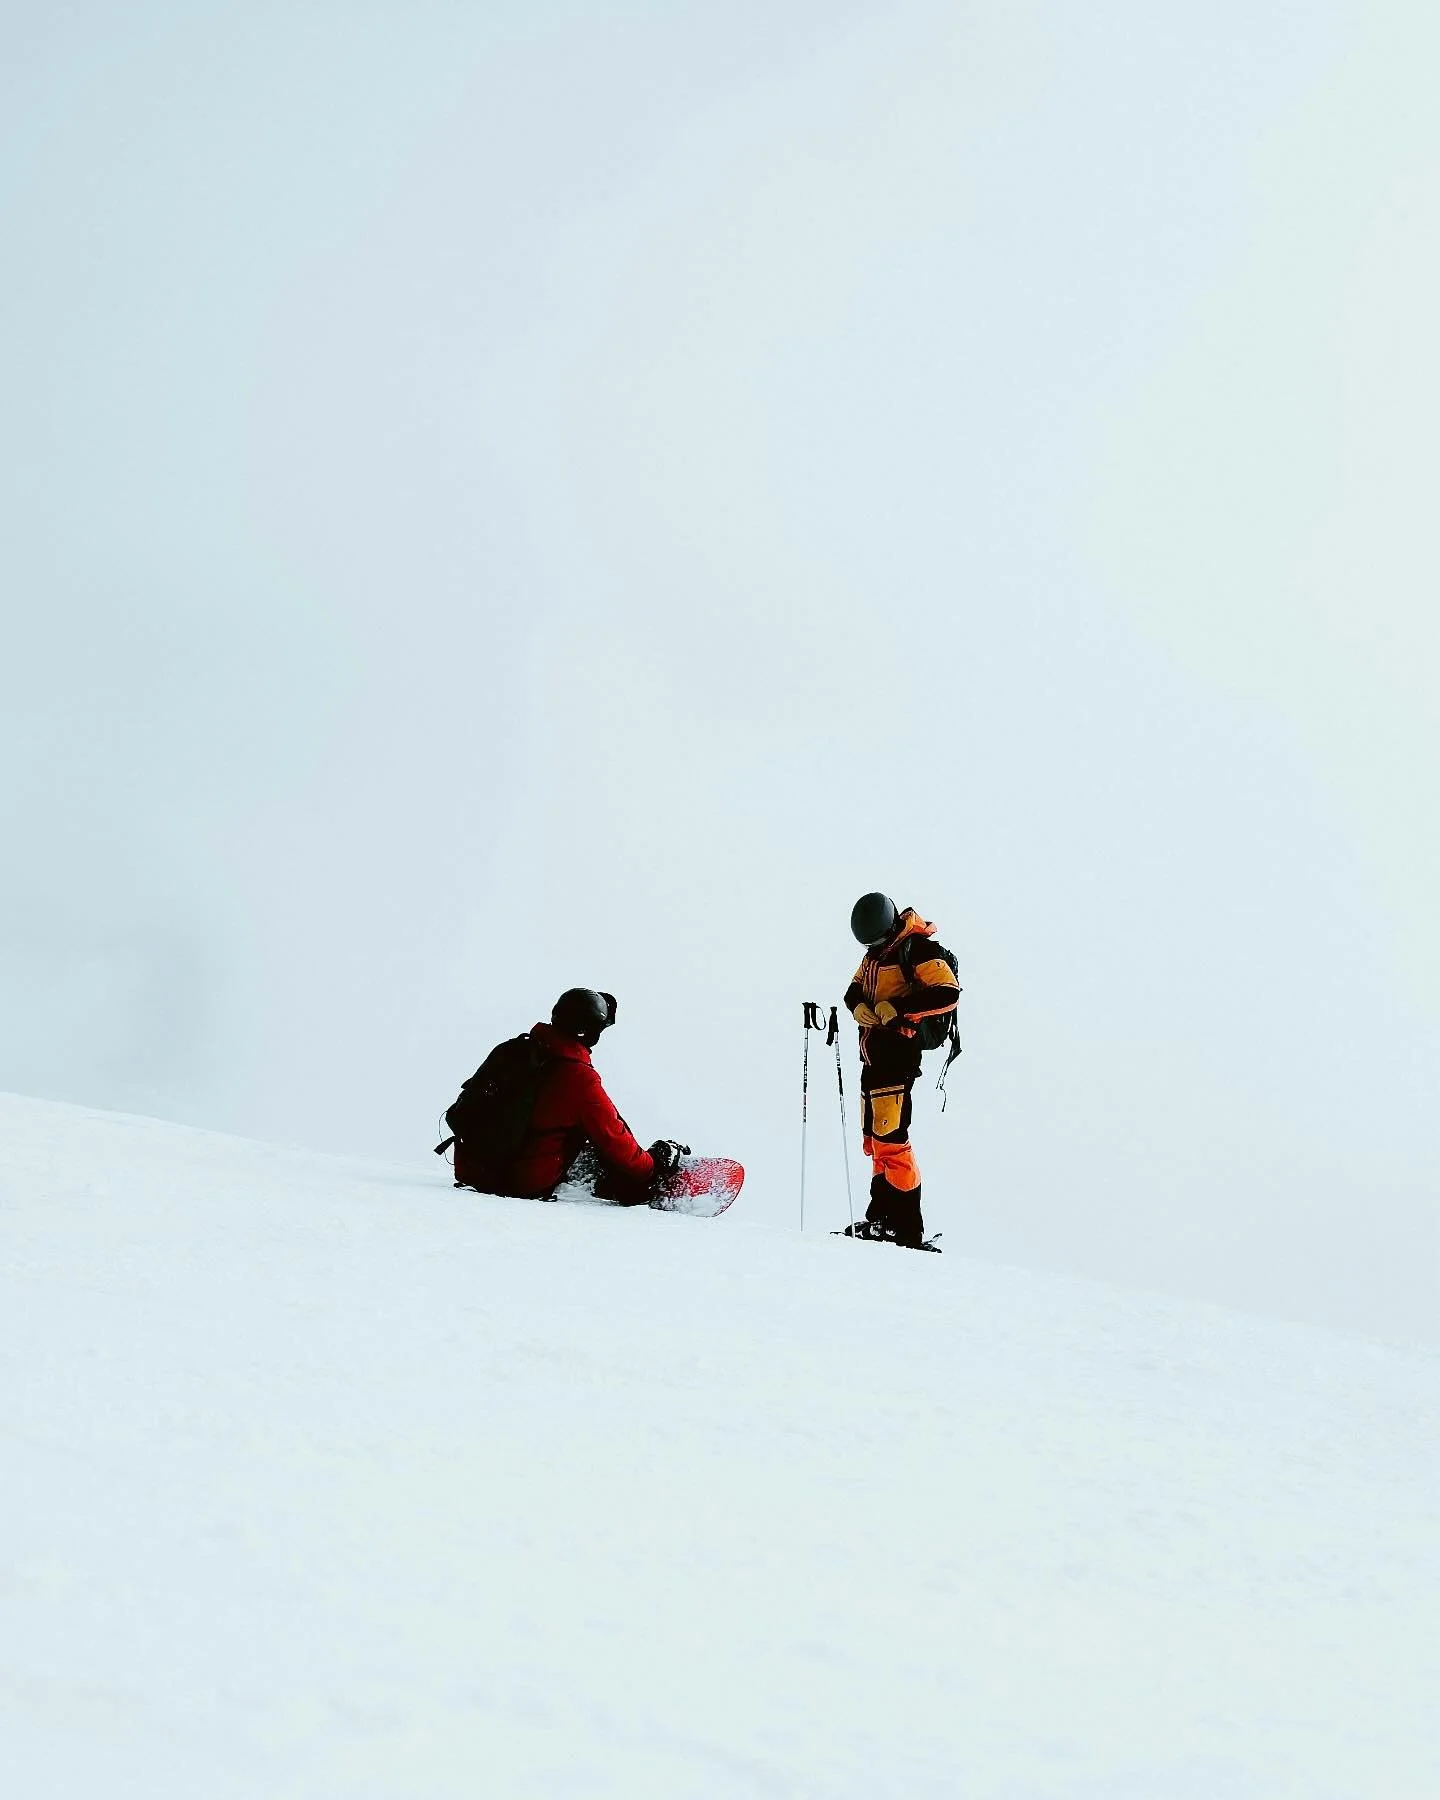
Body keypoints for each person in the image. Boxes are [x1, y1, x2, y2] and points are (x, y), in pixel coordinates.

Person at [451, 988, 684, 1203]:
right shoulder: (578, 1076)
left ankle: (581, 1168)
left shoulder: (513, 1050)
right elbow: (612, 1134)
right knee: (595, 1123)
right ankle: (634, 1186)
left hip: (473, 1169)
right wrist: (650, 1166)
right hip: (519, 1182)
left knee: (572, 1118)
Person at [842, 894, 960, 1248]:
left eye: (877, 941)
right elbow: (852, 990)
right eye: (868, 944)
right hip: (872, 1058)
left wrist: (899, 1009)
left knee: (892, 1141)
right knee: (876, 1142)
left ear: (890, 926)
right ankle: (880, 1219)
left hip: (898, 1058)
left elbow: (947, 992)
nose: (873, 948)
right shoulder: (875, 955)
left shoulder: (919, 949)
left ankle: (906, 1228)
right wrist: (859, 1006)